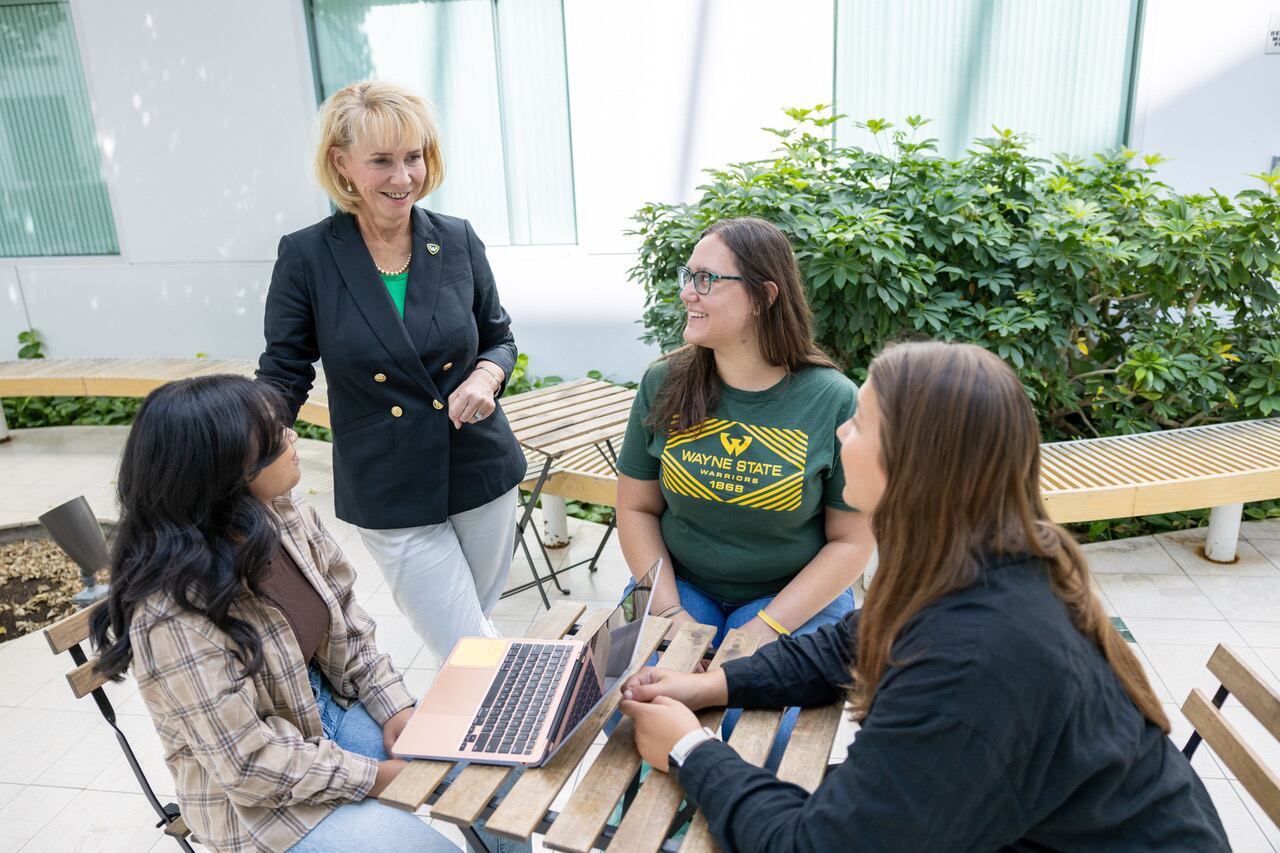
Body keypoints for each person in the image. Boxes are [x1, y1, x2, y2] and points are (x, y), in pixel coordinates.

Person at [619, 341, 1229, 852]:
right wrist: (713, 686)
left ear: (912, 462)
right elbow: (846, 645)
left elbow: (814, 846)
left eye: (860, 422)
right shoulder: (987, 563)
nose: (839, 431)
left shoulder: (976, 657)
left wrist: (689, 748)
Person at [88, 376, 461, 852]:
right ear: (224, 470)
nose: (293, 439)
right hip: (254, 797)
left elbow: (348, 623)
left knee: (494, 762)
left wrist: (396, 705)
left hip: (329, 711)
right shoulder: (170, 613)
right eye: (274, 437)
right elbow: (247, 766)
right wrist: (379, 777)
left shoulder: (282, 511)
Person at [256, 80, 526, 662]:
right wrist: (247, 435)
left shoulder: (456, 239)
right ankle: (527, 718)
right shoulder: (307, 256)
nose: (403, 177)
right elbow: (284, 370)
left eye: (414, 157)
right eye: (381, 160)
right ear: (342, 164)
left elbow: (498, 338)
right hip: (388, 481)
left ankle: (461, 744)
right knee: (467, 644)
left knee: (466, 637)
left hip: (480, 466)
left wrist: (485, 377)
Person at [614, 217, 874, 766]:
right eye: (689, 276)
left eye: (706, 279)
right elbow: (636, 507)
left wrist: (764, 627)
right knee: (631, 716)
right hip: (681, 588)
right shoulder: (664, 382)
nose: (687, 292)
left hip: (790, 597)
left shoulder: (830, 399)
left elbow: (851, 542)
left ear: (763, 296)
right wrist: (670, 614)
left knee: (758, 736)